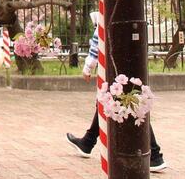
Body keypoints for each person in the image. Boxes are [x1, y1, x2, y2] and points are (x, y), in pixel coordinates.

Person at [65, 12, 166, 173]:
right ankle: (87, 142)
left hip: (116, 64)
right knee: (115, 103)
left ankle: (155, 155)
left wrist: (89, 64)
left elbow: (99, 34)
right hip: (128, 60)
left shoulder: (108, 3)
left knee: (131, 107)